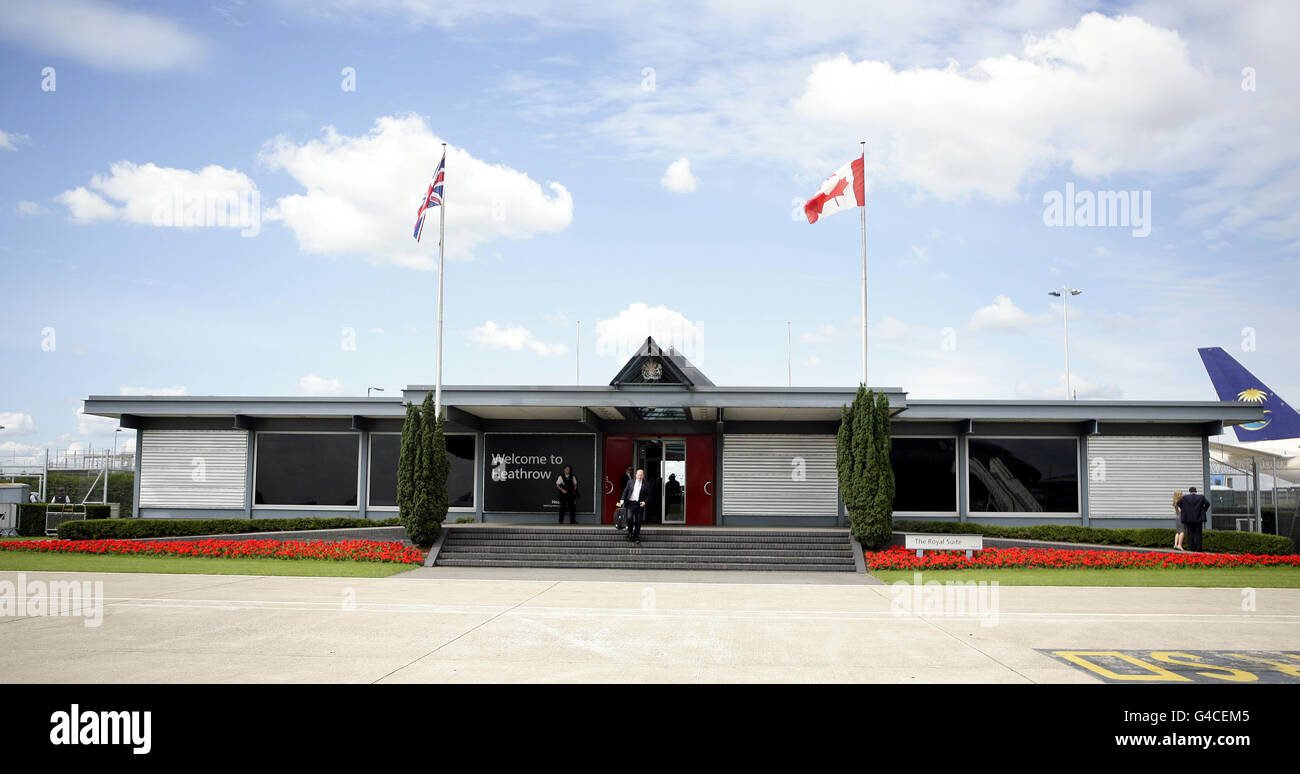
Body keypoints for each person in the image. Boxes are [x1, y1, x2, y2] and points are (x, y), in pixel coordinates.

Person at [617, 468, 648, 543]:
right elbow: (625, 491)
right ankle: (630, 533)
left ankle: (636, 536)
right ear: (636, 475)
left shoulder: (646, 484)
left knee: (638, 521)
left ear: (643, 475)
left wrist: (644, 502)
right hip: (630, 504)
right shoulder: (630, 482)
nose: (640, 476)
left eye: (641, 475)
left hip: (639, 505)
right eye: (638, 475)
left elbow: (648, 495)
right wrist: (622, 500)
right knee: (629, 518)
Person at [1175, 486, 1210, 552]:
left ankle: (1191, 548)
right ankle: (1198, 549)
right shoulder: (1201, 497)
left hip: (1189, 519)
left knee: (1190, 534)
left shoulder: (1185, 497)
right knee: (1198, 534)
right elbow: (1208, 503)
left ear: (1189, 491)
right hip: (1198, 518)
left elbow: (1178, 503)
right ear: (1195, 491)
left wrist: (1185, 510)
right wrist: (1204, 510)